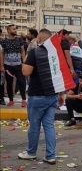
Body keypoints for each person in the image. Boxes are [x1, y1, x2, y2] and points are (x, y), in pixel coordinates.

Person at [18, 29, 58, 164]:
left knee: (34, 126)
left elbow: (26, 72)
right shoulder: (56, 55)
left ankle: (31, 152)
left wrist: (25, 59)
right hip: (53, 94)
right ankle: (51, 155)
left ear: (39, 40)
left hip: (37, 95)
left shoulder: (35, 52)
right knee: (49, 126)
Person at [0, 24, 27, 107]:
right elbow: (1, 54)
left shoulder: (19, 40)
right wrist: (1, 66)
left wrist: (24, 61)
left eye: (15, 29)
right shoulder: (3, 41)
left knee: (22, 82)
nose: (15, 30)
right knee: (9, 83)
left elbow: (22, 51)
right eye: (13, 29)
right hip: (8, 66)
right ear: (8, 31)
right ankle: (11, 100)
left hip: (18, 65)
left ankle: (23, 100)